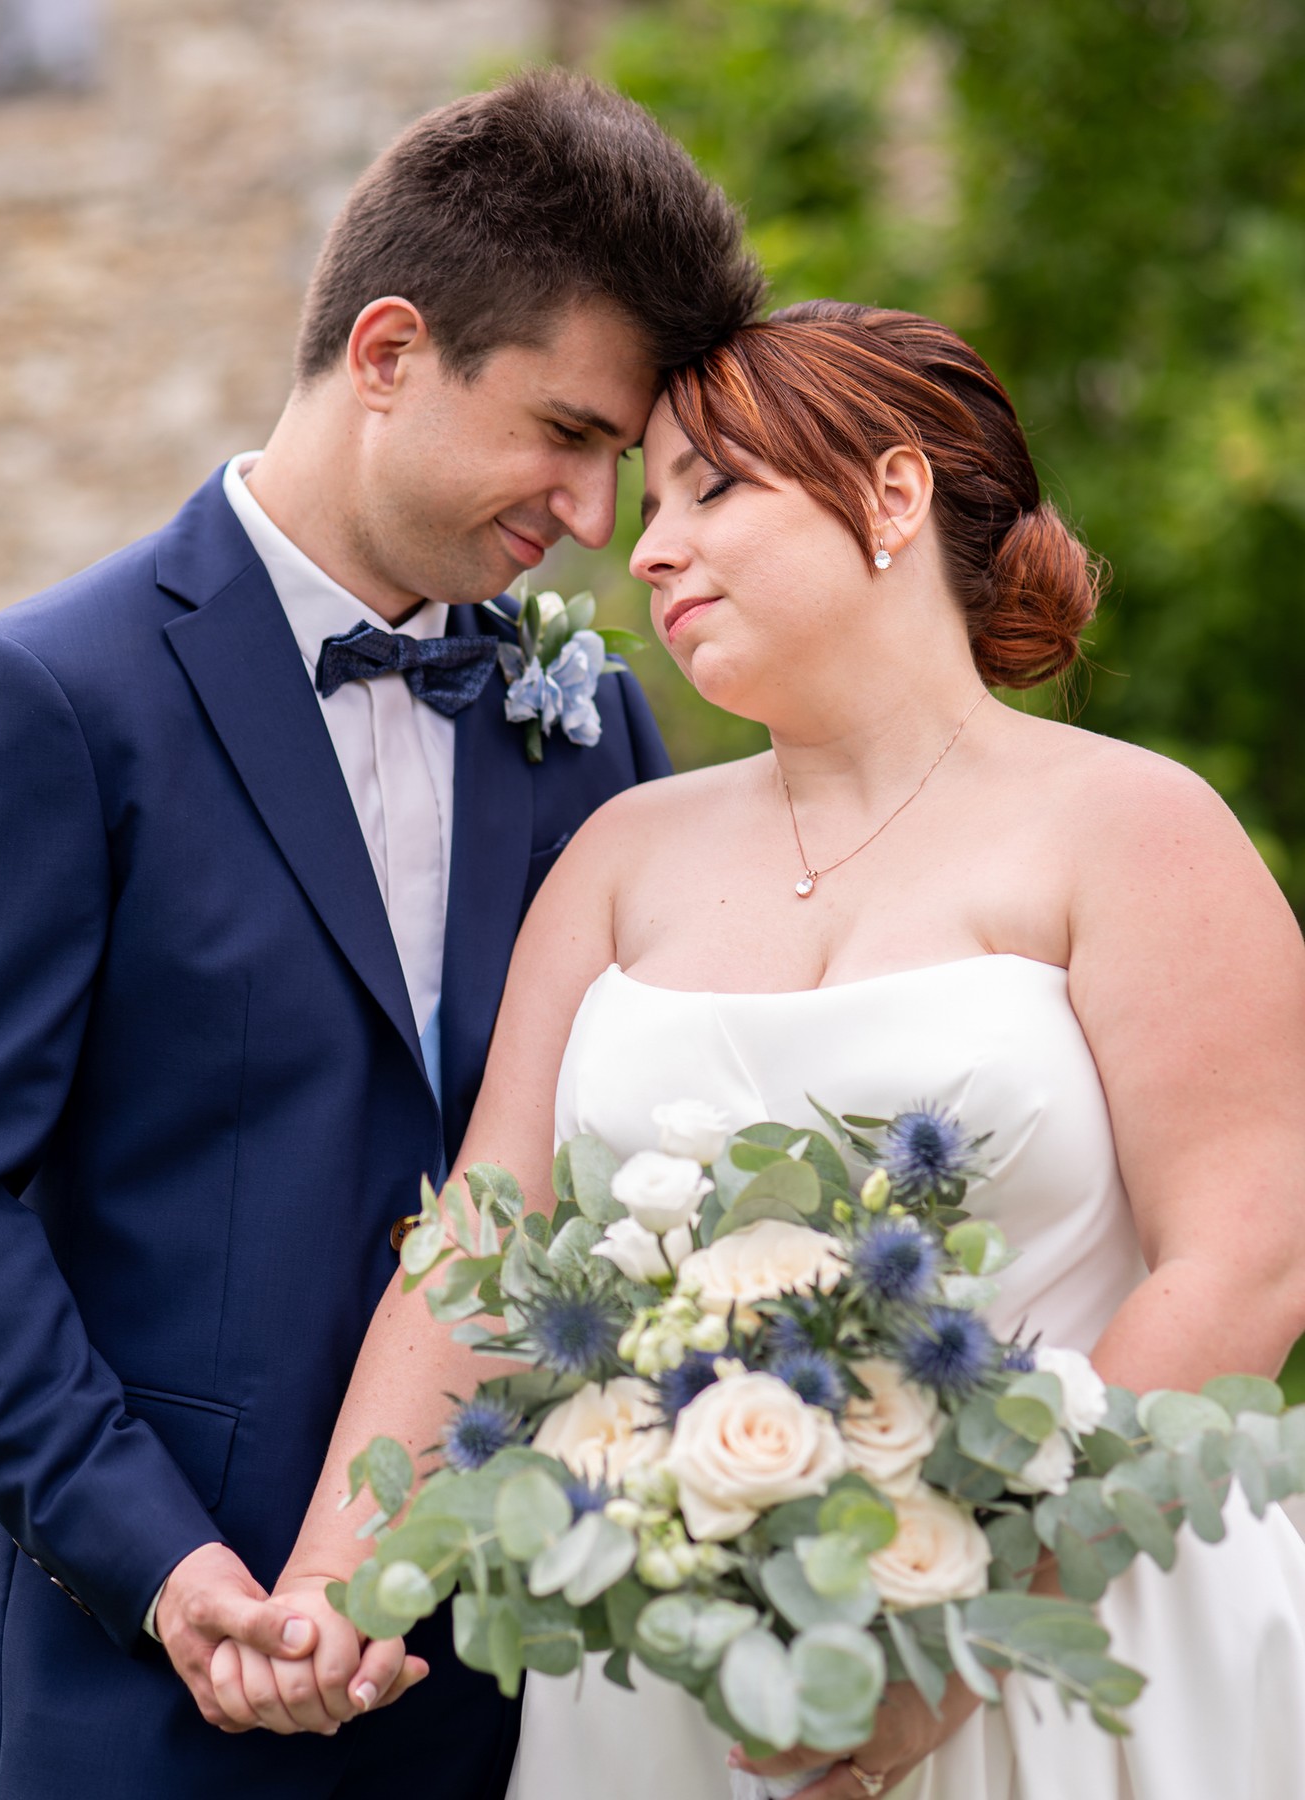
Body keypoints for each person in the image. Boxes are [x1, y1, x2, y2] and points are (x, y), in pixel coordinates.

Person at [227, 300, 1305, 1799]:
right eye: (649, 506)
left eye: (711, 489)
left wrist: (969, 1636)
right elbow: (485, 1231)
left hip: (1075, 1640)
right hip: (678, 1677)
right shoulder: (619, 853)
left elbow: (1242, 1267)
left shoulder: (1137, 829)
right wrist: (342, 1571)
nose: (648, 547)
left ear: (893, 492)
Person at [0, 70, 764, 1800]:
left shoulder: (591, 726)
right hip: (158, 1685)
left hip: (524, 1683)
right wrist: (171, 1575)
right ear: (386, 354)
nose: (598, 521)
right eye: (568, 435)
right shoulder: (44, 701)